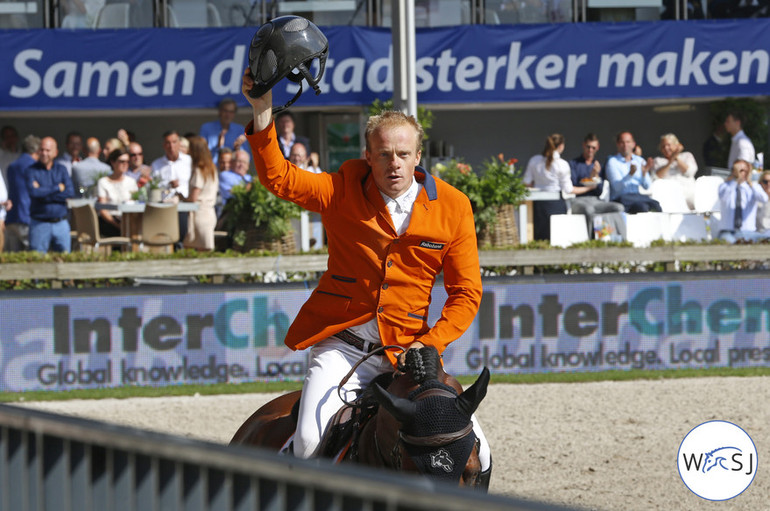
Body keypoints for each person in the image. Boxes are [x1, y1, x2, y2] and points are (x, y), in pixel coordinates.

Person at [241, 70, 491, 482]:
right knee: (306, 439)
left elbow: (466, 293)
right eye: (383, 154)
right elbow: (278, 177)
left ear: (417, 156)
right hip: (343, 348)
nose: (393, 163)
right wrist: (262, 107)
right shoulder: (340, 190)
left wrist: (430, 343)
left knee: (480, 452)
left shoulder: (454, 206)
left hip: (411, 351)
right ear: (368, 154)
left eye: (402, 154)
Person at [568, 133, 626, 240]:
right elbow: (573, 186)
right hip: (578, 201)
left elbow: (599, 191)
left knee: (618, 208)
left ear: (597, 148)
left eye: (593, 148)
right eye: (588, 147)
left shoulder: (599, 166)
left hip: (596, 200)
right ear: (583, 145)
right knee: (589, 210)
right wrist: (591, 180)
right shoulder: (574, 164)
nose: (590, 150)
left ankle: (621, 240)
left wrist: (595, 176)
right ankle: (594, 241)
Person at [26, 137, 75, 253]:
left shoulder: (61, 170)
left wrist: (43, 192)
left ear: (55, 152)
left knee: (64, 260)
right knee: (37, 262)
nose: (44, 153)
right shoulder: (31, 170)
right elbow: (34, 193)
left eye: (48, 150)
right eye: (42, 150)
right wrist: (57, 188)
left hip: (61, 223)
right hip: (39, 223)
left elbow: (69, 192)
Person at [523, 133, 573, 241]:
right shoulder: (562, 164)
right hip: (556, 204)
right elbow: (568, 189)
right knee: (557, 239)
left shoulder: (534, 160)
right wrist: (590, 188)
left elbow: (527, 182)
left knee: (539, 238)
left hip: (538, 205)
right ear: (561, 146)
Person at [606, 131, 661, 214]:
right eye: (622, 142)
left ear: (633, 144)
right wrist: (630, 175)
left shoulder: (639, 160)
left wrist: (644, 173)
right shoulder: (613, 162)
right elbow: (617, 188)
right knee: (642, 207)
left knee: (656, 206)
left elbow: (647, 186)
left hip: (637, 196)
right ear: (617, 144)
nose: (625, 145)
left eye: (628, 142)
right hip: (621, 198)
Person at [717, 159, 769, 244]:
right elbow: (723, 196)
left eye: (743, 170)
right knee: (732, 244)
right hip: (728, 232)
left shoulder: (753, 187)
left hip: (748, 232)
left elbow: (764, 198)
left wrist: (750, 181)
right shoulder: (725, 186)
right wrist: (735, 180)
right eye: (737, 170)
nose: (740, 173)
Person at [182, 136, 219, 251]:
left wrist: (181, 198)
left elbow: (194, 197)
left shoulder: (199, 170)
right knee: (203, 251)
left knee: (199, 251)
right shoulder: (212, 168)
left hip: (199, 214)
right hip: (209, 213)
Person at [5, 135, 39, 251]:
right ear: (36, 151)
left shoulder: (12, 166)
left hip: (11, 216)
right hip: (27, 215)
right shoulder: (34, 166)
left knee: (12, 257)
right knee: (31, 255)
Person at [648, 133, 698, 210]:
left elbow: (690, 172)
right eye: (663, 146)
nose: (666, 148)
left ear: (676, 145)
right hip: (669, 196)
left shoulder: (687, 155)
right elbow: (656, 177)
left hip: (689, 194)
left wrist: (676, 157)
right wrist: (670, 161)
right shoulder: (658, 161)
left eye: (668, 145)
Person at [97, 147, 138, 238]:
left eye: (127, 162)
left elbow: (135, 204)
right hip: (109, 222)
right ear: (113, 162)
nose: (125, 164)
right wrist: (117, 225)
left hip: (127, 220)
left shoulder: (131, 182)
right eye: (121, 161)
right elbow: (102, 209)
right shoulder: (103, 182)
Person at [199, 98, 248, 164]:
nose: (228, 115)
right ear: (220, 112)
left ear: (234, 114)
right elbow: (201, 154)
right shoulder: (206, 128)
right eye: (225, 111)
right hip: (212, 169)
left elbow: (247, 158)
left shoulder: (240, 129)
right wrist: (218, 147)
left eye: (231, 112)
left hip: (232, 172)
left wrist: (237, 149)